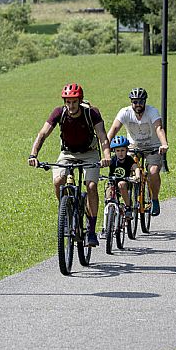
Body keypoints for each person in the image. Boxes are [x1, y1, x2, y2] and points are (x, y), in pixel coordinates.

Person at [28, 83, 111, 247]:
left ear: (80, 101)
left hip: (89, 153)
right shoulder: (59, 113)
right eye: (68, 102)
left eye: (74, 102)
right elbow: (43, 133)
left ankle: (92, 230)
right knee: (58, 181)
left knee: (92, 185)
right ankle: (66, 214)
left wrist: (106, 156)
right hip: (67, 153)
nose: (71, 106)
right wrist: (33, 155)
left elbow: (102, 136)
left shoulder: (91, 113)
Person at [107, 87, 169, 216]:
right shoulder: (125, 112)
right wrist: (106, 146)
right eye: (135, 102)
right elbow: (114, 129)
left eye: (140, 101)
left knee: (153, 172)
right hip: (133, 146)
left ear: (145, 101)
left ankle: (154, 199)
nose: (138, 105)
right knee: (125, 171)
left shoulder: (152, 112)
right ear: (131, 102)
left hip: (153, 146)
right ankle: (127, 199)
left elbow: (159, 128)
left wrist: (164, 144)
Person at [108, 135, 140, 219]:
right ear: (114, 151)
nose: (120, 153)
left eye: (122, 150)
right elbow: (103, 164)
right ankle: (108, 223)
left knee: (121, 184)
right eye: (118, 150)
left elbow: (135, 167)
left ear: (127, 150)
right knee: (108, 198)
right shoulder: (112, 160)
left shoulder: (129, 159)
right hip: (112, 182)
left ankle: (128, 207)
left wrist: (137, 175)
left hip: (125, 182)